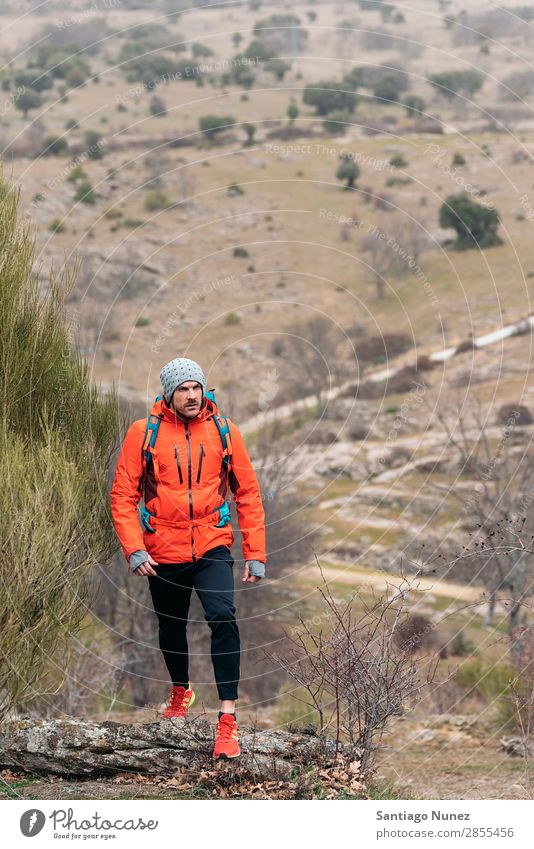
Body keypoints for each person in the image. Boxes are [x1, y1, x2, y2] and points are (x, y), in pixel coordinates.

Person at [110, 357, 266, 759]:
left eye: (197, 387)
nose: (192, 395)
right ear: (169, 394)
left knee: (222, 616)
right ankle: (181, 690)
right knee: (171, 625)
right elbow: (123, 496)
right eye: (183, 389)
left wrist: (255, 553)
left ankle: (227, 721)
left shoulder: (224, 431)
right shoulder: (142, 434)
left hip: (213, 543)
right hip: (162, 549)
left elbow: (247, 492)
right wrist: (134, 548)